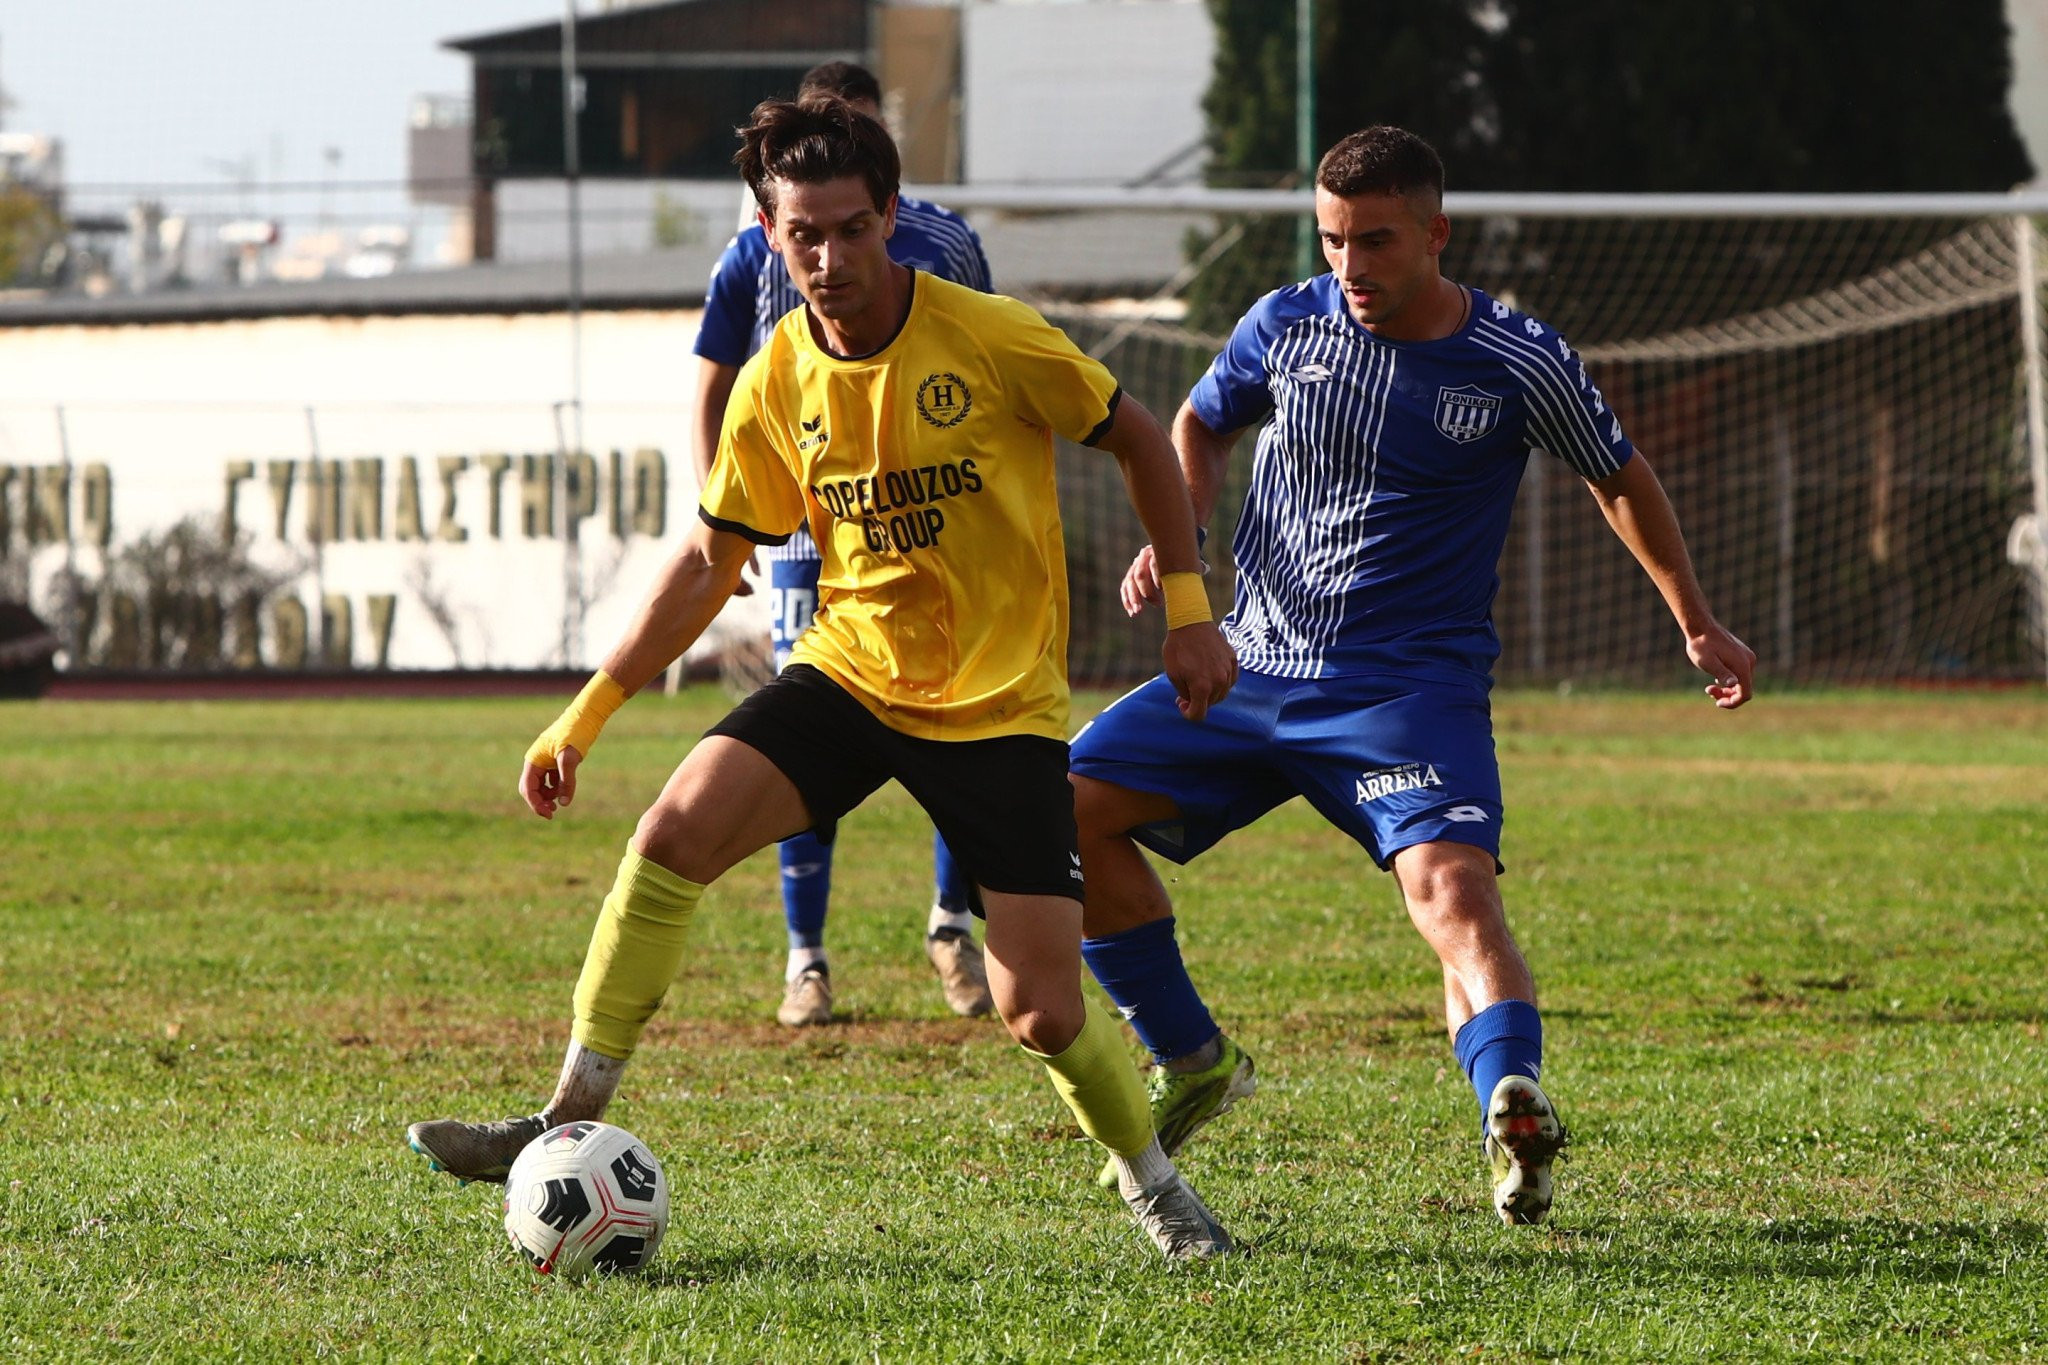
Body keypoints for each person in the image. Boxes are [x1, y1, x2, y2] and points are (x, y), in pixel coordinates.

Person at [408, 95, 1241, 1259]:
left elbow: (1141, 439)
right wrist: (582, 716)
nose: (830, 257)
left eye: (852, 229)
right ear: (767, 231)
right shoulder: (775, 376)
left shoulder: (990, 336)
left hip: (998, 713)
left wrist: (1188, 611)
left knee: (1041, 1013)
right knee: (667, 838)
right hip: (849, 679)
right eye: (804, 233)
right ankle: (562, 1118)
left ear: (891, 218)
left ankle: (1151, 1181)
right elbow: (711, 564)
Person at [1067, 125, 1756, 1226]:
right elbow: (1196, 421)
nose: (1351, 266)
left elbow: (1618, 476)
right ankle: (1189, 1054)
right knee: (1057, 809)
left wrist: (1696, 622)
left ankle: (1509, 1101)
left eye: (1376, 241)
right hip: (1249, 667)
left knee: (1451, 894)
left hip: (1402, 696)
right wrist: (1184, 529)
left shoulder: (1514, 357)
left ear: (1434, 234)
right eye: (1333, 239)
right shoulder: (1283, 322)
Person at [692, 61, 998, 1029]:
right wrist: (724, 517)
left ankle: (953, 926)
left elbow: (987, 369)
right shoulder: (753, 252)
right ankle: (805, 960)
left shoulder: (947, 242)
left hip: (927, 523)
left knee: (960, 721)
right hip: (800, 533)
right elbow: (713, 380)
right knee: (802, 732)